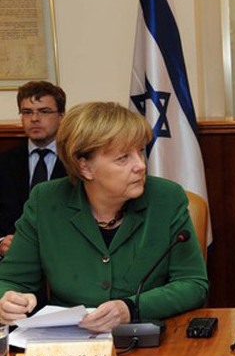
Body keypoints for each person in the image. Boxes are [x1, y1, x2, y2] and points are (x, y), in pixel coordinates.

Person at [0, 102, 208, 332]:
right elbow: (12, 280)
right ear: (85, 167)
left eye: (140, 152)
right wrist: (9, 299)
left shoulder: (166, 198)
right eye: (123, 158)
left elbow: (193, 284)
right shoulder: (46, 201)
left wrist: (130, 308)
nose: (140, 166)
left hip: (144, 338)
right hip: (67, 343)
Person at [0, 81, 67, 258]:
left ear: (61, 116)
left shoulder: (77, 161)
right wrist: (1, 242)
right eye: (27, 112)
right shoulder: (4, 162)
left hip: (64, 256)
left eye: (44, 112)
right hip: (13, 256)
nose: (34, 118)